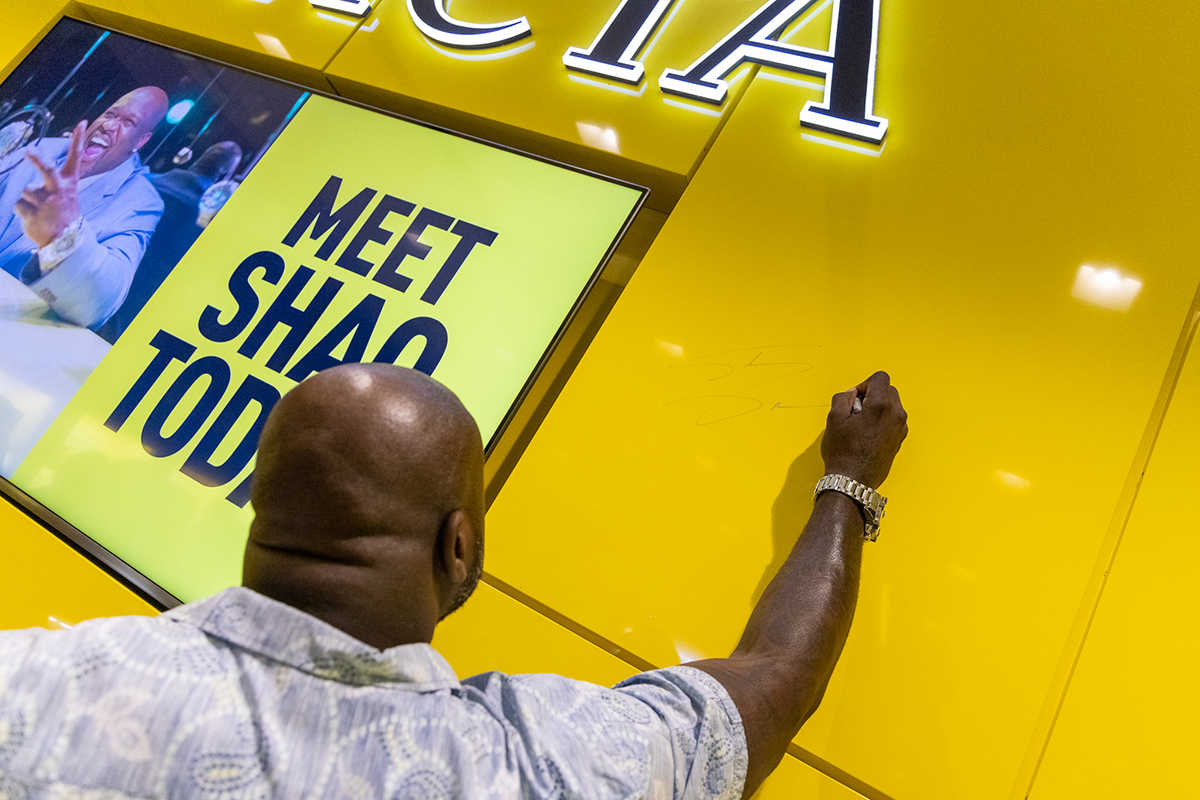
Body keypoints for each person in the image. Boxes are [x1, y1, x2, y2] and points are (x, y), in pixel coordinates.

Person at [0, 365, 907, 798]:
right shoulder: (540, 767)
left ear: (262, 507)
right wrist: (851, 477)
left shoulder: (27, 686)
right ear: (459, 546)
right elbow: (776, 683)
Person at [0, 86, 169, 329]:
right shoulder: (42, 149)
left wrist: (61, 236)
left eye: (129, 122)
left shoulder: (142, 202)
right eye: (110, 114)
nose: (109, 126)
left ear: (142, 140)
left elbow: (102, 303)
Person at [97, 140, 243, 343]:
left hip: (99, 289)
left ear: (199, 159)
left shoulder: (144, 182)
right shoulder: (212, 226)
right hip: (137, 318)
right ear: (222, 177)